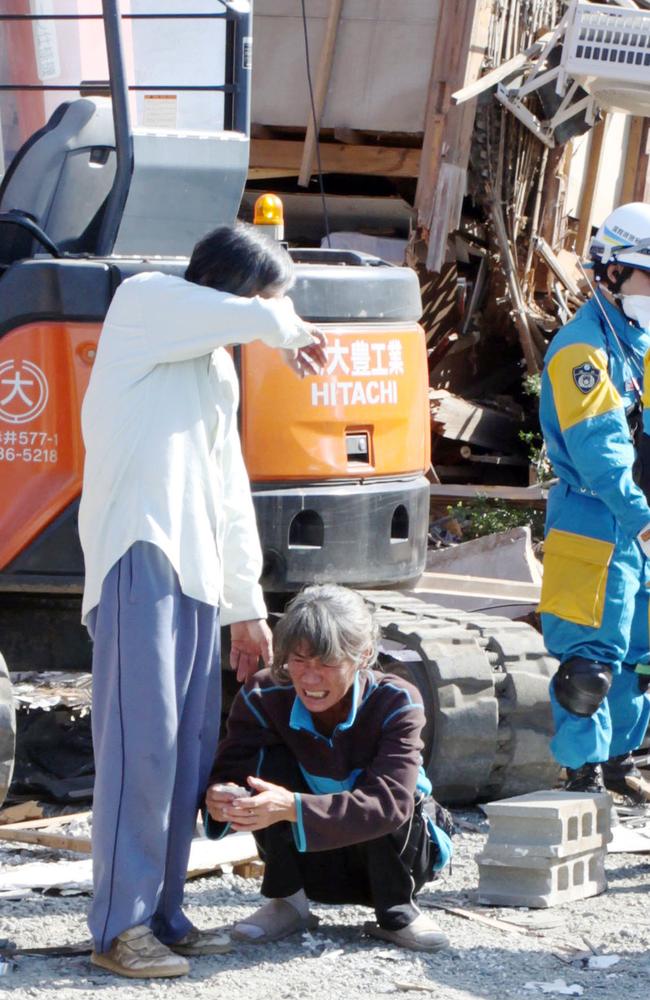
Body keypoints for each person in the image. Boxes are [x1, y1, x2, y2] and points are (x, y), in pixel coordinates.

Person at [78, 223, 327, 979]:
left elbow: (228, 496)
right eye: (267, 298)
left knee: (185, 758)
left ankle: (161, 914)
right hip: (138, 554)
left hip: (194, 573)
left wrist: (242, 605)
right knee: (140, 752)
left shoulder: (216, 369)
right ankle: (119, 929)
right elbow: (255, 317)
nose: (270, 317)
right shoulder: (146, 303)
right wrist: (286, 327)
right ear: (233, 289)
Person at [204, 584, 453, 952]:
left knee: (402, 793)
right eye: (299, 661)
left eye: (327, 663)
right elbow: (231, 770)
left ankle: (398, 910)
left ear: (363, 655)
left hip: (397, 856)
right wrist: (221, 797)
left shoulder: (397, 701)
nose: (309, 678)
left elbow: (390, 804)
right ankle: (288, 901)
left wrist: (292, 807)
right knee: (265, 771)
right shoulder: (263, 695)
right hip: (312, 861)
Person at [538, 201, 650, 802]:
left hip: (637, 520)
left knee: (637, 655)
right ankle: (579, 773)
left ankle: (618, 760)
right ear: (611, 271)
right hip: (596, 517)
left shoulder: (637, 339)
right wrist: (642, 518)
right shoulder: (584, 351)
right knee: (590, 664)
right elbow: (601, 451)